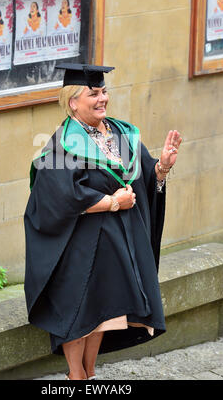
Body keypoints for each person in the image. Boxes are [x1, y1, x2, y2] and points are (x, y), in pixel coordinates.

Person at [24, 63, 182, 380]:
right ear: (73, 101)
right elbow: (56, 197)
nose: (102, 99)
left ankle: (90, 372)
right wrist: (112, 203)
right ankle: (75, 375)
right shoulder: (63, 144)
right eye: (93, 93)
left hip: (115, 245)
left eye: (104, 91)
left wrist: (161, 168)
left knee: (103, 313)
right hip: (78, 246)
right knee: (78, 312)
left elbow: (145, 179)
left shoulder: (121, 133)